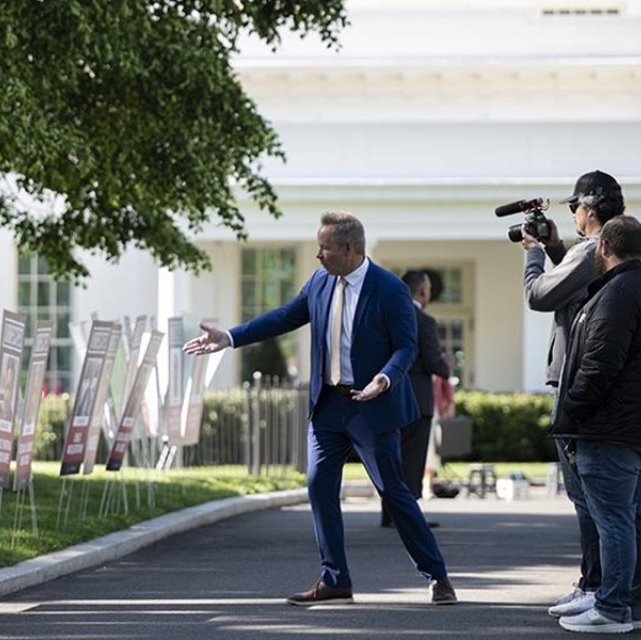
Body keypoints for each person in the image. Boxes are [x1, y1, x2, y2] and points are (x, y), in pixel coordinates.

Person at [184, 211, 457, 606]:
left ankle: (437, 576)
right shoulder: (319, 281)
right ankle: (335, 579)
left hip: (370, 406)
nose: (318, 255)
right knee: (318, 485)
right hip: (328, 404)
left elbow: (406, 347)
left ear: (349, 248)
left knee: (394, 492)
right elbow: (284, 317)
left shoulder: (389, 289)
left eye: (324, 248)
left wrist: (385, 378)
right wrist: (229, 337)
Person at [549, 215, 641, 633]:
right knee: (637, 517)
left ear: (603, 247)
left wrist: (568, 413)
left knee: (615, 520)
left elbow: (598, 367)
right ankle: (635, 604)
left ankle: (612, 607)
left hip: (611, 430)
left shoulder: (616, 294)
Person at [521, 169, 625, 619]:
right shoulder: (598, 251)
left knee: (585, 496)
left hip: (574, 380)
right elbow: (575, 282)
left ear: (589, 209)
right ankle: (593, 582)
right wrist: (554, 248)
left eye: (575, 207)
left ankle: (595, 585)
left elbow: (539, 295)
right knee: (591, 496)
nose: (573, 215)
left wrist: (532, 254)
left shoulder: (590, 250)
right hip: (586, 376)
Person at [381, 270, 450, 528]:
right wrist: (447, 365)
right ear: (421, 292)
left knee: (391, 457)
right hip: (417, 399)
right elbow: (433, 361)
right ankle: (408, 517)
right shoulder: (424, 321)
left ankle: (389, 514)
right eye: (428, 290)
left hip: (388, 394)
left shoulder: (386, 317)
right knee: (412, 460)